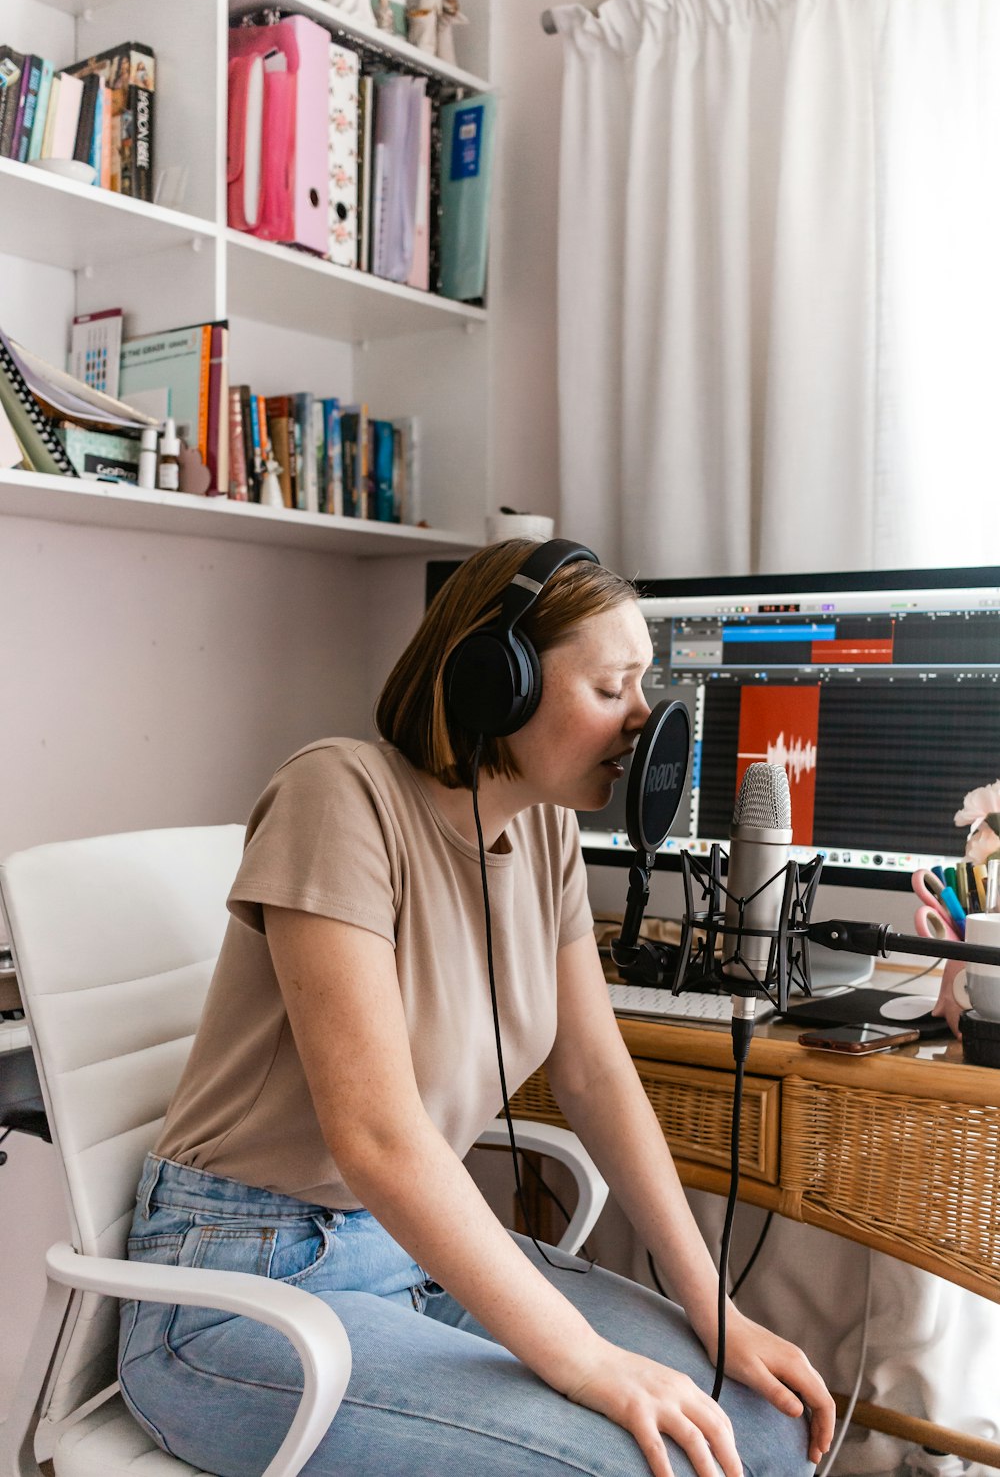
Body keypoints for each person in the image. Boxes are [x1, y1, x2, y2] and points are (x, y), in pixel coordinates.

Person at [117, 539, 835, 1476]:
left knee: (758, 1422)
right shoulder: (337, 796)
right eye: (612, 688)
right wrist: (587, 1364)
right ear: (499, 686)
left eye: (645, 686)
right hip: (240, 1284)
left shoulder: (545, 832)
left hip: (413, 1259)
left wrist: (714, 1308)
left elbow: (593, 1071)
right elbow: (377, 1138)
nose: (644, 723)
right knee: (641, 1462)